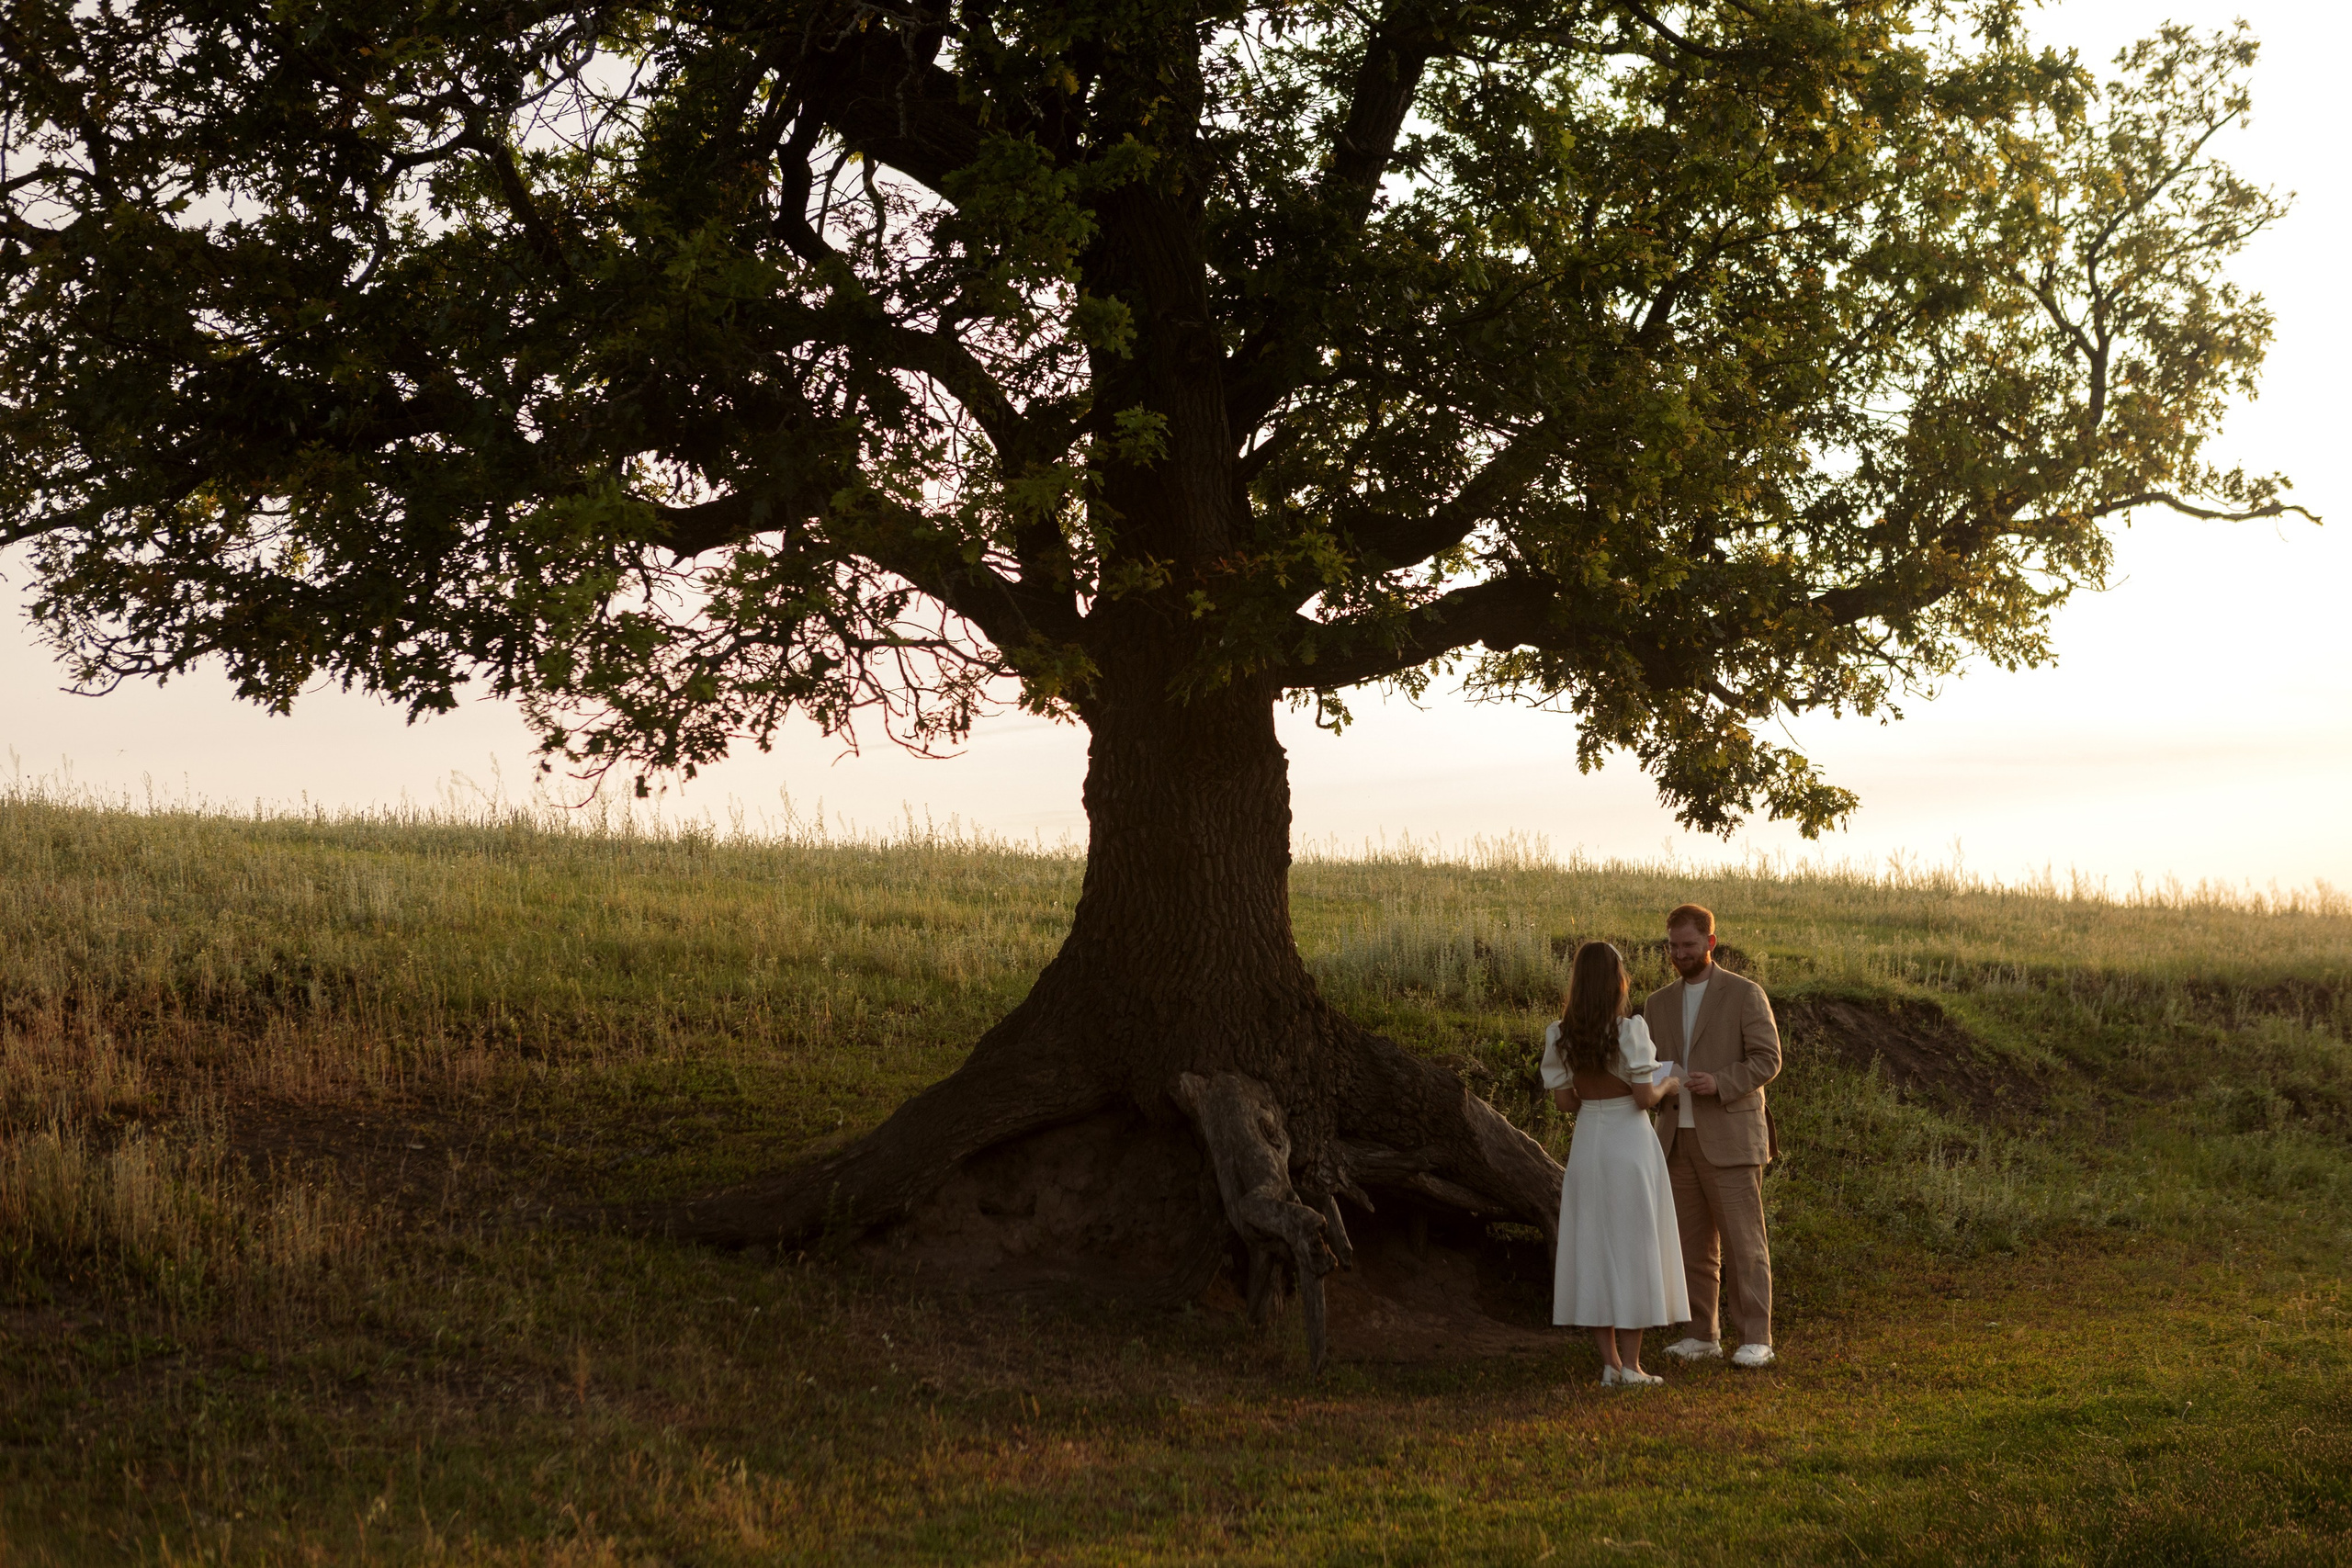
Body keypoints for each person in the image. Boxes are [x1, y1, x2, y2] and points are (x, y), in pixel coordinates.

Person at [1542, 941, 1689, 1387]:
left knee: (1595, 1246)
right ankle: (1633, 1365)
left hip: (1589, 1142)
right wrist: (1671, 1085)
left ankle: (1609, 1366)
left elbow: (1566, 1101)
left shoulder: (1560, 1034)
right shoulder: (1630, 1031)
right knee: (1634, 1247)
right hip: (1629, 1144)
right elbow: (1645, 1097)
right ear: (1617, 982)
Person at [1646, 903, 1782, 1369]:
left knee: (1746, 1245)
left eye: (1687, 945)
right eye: (1672, 946)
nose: (1678, 954)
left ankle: (1756, 1338)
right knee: (1692, 1245)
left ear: (1710, 942)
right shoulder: (1657, 1003)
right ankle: (1702, 1334)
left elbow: (1768, 1059)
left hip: (1730, 1138)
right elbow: (1652, 1065)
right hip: (1675, 1140)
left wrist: (1720, 1082)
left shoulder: (1745, 994)